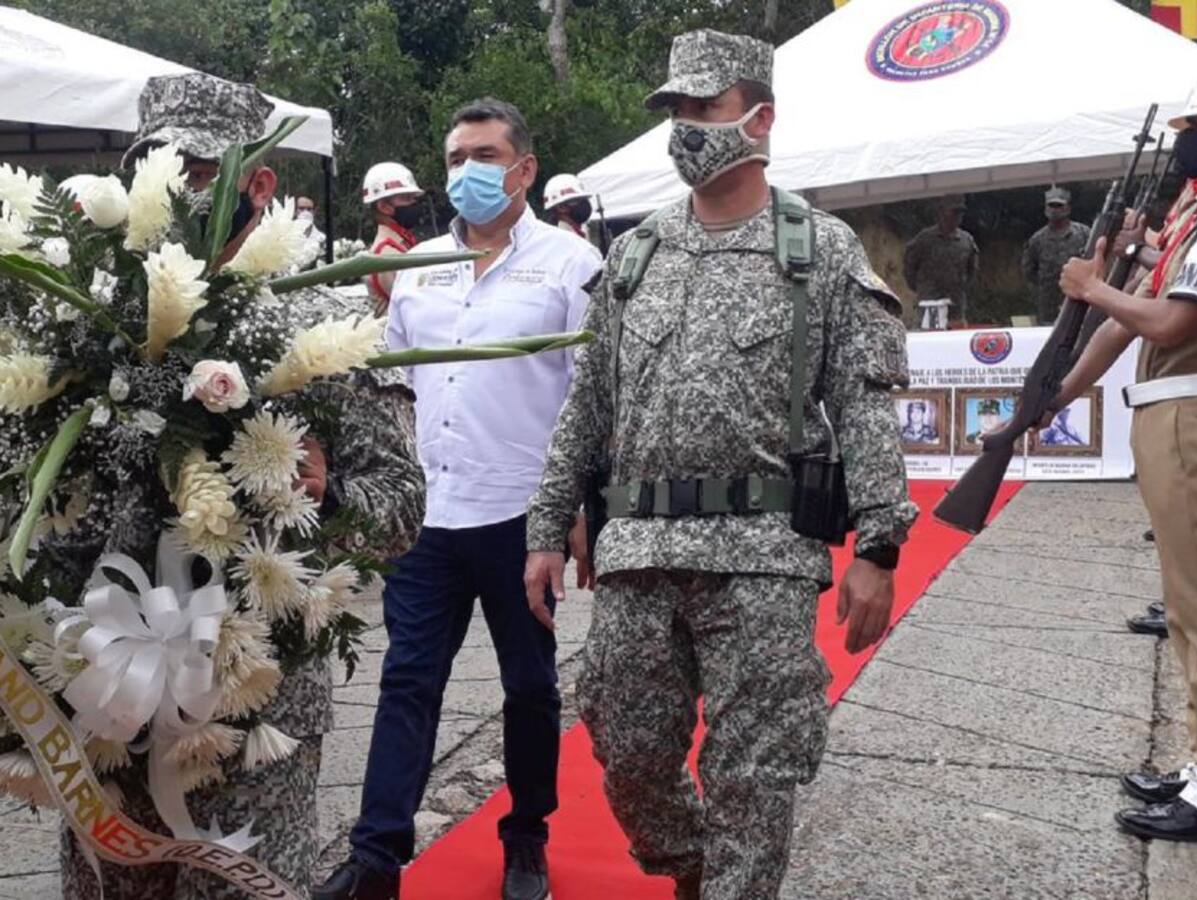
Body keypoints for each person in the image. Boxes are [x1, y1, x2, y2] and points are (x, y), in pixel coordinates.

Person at [524, 29, 916, 900]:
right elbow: (588, 405)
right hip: (639, 553)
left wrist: (881, 548)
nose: (686, 129)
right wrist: (547, 526)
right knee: (625, 752)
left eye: (704, 108)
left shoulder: (818, 248)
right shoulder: (635, 254)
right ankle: (698, 868)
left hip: (764, 555)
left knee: (755, 772)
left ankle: (737, 883)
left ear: (759, 117)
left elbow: (861, 404)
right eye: (676, 111)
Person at [57, 72, 426, 899]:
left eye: (197, 170)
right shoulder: (94, 319)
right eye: (157, 168)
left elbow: (403, 506)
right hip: (106, 699)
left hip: (257, 705)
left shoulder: (319, 326)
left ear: (259, 184)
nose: (178, 190)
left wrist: (326, 494)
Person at [317, 98, 602, 900]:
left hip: (523, 517)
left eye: (483, 155)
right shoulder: (419, 267)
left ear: (523, 169)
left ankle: (526, 838)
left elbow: (590, 396)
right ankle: (377, 855)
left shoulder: (571, 266)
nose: (466, 172)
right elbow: (393, 387)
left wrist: (577, 507)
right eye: (455, 158)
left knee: (528, 686)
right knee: (407, 680)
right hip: (427, 518)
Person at [1054, 85, 1197, 843]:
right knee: (1185, 606)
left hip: (1191, 418)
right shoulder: (1190, 221)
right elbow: (1129, 320)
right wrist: (1058, 393)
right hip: (1171, 412)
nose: (1186, 147)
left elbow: (1173, 320)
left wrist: (1095, 285)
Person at [904, 194, 979, 330]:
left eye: (960, 213)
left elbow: (972, 271)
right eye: (954, 212)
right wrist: (923, 289)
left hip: (955, 307)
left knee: (957, 344)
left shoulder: (966, 241)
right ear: (941, 212)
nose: (958, 216)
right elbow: (909, 268)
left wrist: (960, 288)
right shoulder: (925, 239)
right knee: (931, 342)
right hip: (930, 304)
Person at [362, 161, 425, 315]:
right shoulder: (387, 253)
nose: (414, 203)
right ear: (384, 206)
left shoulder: (400, 243)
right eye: (407, 198)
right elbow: (419, 306)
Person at [1021, 187, 1090, 325]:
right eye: (1051, 206)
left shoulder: (1083, 233)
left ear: (1068, 208)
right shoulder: (1037, 239)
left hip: (1078, 298)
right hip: (1048, 304)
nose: (1054, 210)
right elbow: (1029, 271)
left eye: (1059, 206)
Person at [543, 173, 594, 240]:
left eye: (584, 199)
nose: (584, 204)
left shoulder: (580, 232)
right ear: (561, 207)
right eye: (577, 200)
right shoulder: (558, 239)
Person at [293, 194, 326, 270]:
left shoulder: (322, 239)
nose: (305, 212)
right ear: (295, 211)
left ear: (313, 212)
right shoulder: (286, 235)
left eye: (309, 209)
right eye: (301, 208)